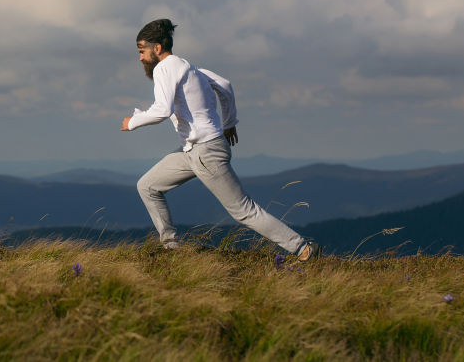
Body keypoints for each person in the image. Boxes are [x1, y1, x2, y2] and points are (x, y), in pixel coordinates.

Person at [120, 19, 320, 260]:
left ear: (158, 48)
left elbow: (162, 110)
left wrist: (131, 123)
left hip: (205, 153)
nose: (140, 58)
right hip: (193, 151)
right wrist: (229, 123)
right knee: (147, 186)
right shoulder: (191, 69)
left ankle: (303, 249)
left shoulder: (164, 68)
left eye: (142, 51)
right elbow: (225, 85)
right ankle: (170, 247)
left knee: (244, 211)